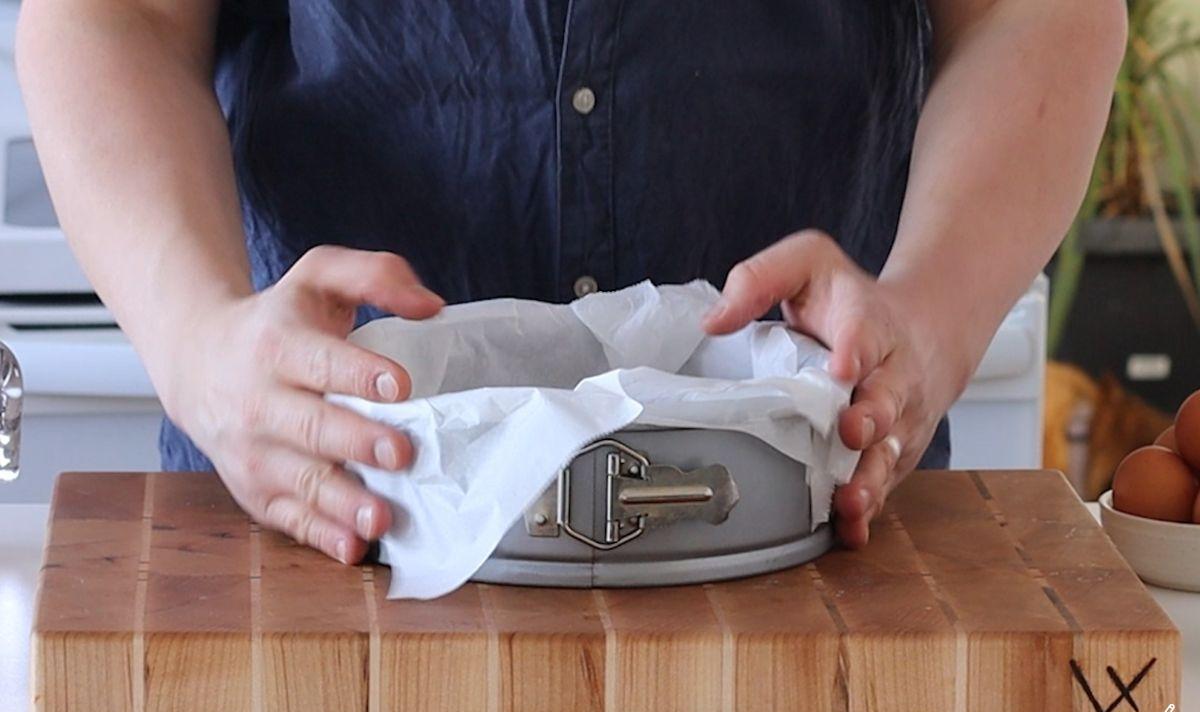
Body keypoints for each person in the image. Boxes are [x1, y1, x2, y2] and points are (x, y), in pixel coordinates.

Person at [18, 1, 1126, 565]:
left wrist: (930, 317)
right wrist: (197, 335)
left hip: (827, 540)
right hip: (322, 526)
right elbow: (115, 14)